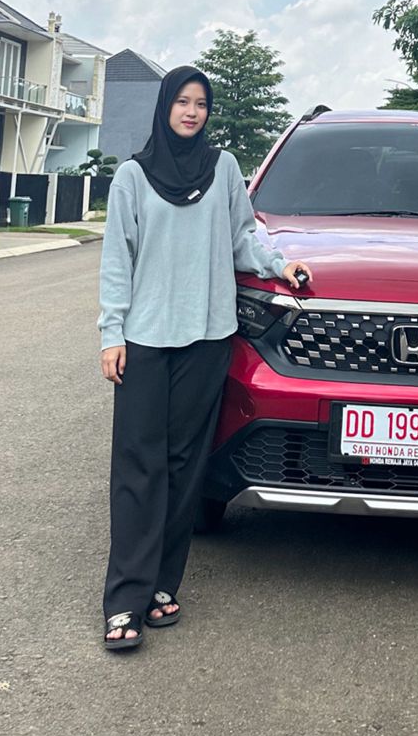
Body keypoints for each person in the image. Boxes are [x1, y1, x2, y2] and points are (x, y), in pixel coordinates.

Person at [97, 64, 312, 651]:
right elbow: (117, 259)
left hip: (208, 337)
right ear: (165, 106)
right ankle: (125, 599)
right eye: (183, 102)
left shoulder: (223, 170)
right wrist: (111, 333)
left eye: (200, 104)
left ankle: (163, 584)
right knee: (139, 468)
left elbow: (243, 236)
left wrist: (280, 265)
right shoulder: (132, 177)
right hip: (146, 339)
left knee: (184, 464)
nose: (192, 112)